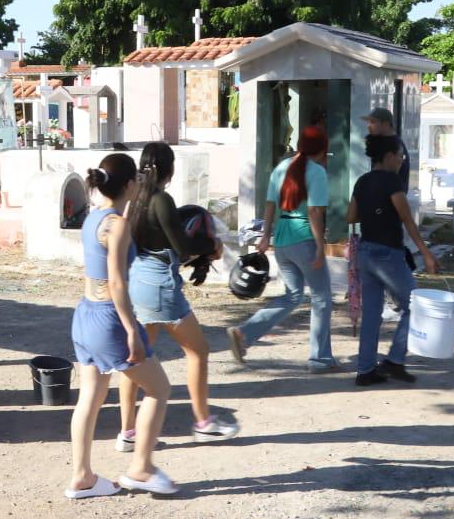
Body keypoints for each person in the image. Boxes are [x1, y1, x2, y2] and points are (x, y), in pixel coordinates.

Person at [66, 153, 177, 498]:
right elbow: (117, 283)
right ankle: (141, 468)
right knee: (159, 389)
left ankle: (82, 476)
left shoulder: (93, 218)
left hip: (84, 316)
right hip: (110, 319)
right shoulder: (118, 225)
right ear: (130, 185)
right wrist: (131, 329)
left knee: (90, 397)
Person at [116, 142, 239, 445]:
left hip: (137, 281)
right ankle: (203, 421)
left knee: (135, 361)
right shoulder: (161, 200)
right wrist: (213, 247)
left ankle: (128, 432)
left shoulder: (133, 200)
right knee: (198, 351)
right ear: (168, 169)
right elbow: (182, 246)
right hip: (160, 286)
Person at [227, 126, 337, 372]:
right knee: (321, 299)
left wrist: (266, 236)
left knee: (293, 296)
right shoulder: (317, 172)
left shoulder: (282, 167)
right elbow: (314, 212)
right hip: (304, 239)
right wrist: (320, 246)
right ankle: (320, 359)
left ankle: (244, 333)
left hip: (282, 241)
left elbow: (269, 204)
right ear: (322, 149)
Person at [346, 134, 440, 387]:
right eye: (399, 155)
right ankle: (395, 360)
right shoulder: (392, 181)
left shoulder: (362, 181)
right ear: (388, 156)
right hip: (388, 254)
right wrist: (427, 254)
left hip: (365, 253)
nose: (401, 160)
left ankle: (365, 371)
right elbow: (408, 221)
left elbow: (350, 216)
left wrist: (372, 209)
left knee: (372, 316)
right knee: (415, 307)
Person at [364, 106, 410, 190]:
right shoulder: (381, 143)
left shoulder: (394, 145)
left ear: (386, 124)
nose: (368, 126)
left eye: (372, 122)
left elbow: (390, 179)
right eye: (368, 122)